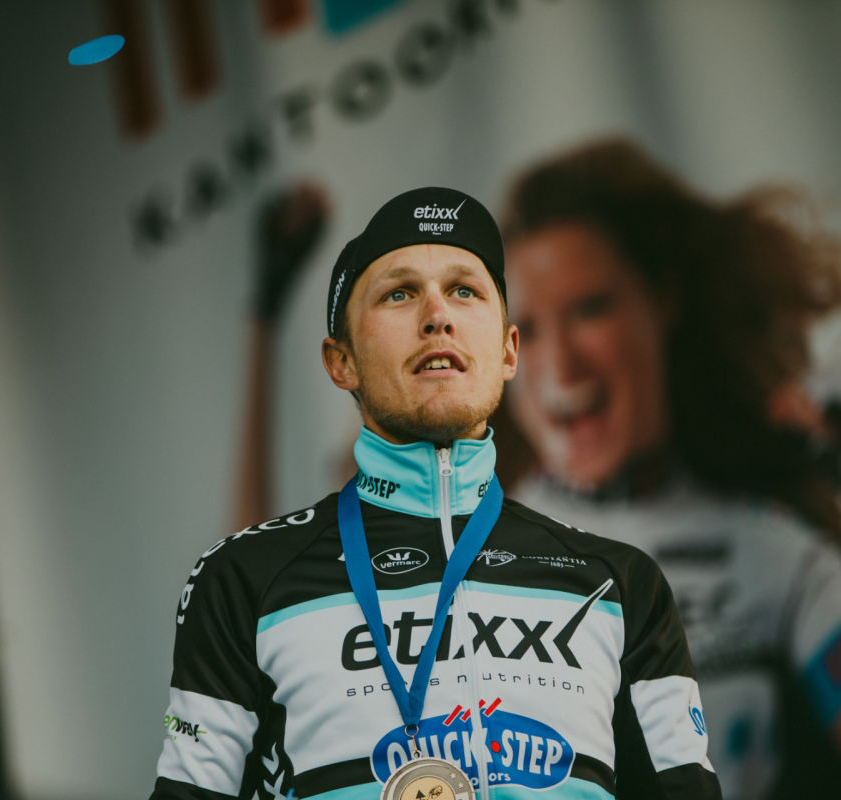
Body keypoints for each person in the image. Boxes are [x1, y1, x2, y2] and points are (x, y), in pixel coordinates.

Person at [150, 187, 721, 799]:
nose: (437, 315)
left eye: (465, 290)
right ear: (341, 361)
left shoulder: (620, 585)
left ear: (508, 351)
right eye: (399, 293)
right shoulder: (242, 578)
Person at [498, 137, 841, 800]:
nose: (560, 365)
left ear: (662, 298)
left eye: (589, 308)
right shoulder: (441, 556)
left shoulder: (779, 557)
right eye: (525, 332)